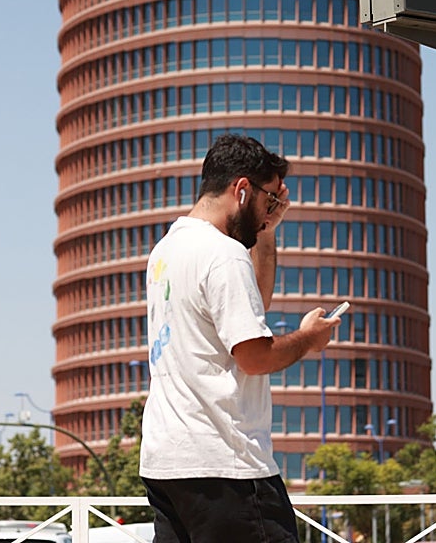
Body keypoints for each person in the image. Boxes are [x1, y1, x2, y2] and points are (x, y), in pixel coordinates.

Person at [139, 133, 342, 543]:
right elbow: (254, 356)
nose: (272, 210)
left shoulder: (167, 249)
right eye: (270, 200)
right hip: (225, 464)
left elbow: (251, 311)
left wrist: (266, 229)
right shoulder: (222, 253)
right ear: (242, 189)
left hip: (168, 463)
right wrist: (308, 339)